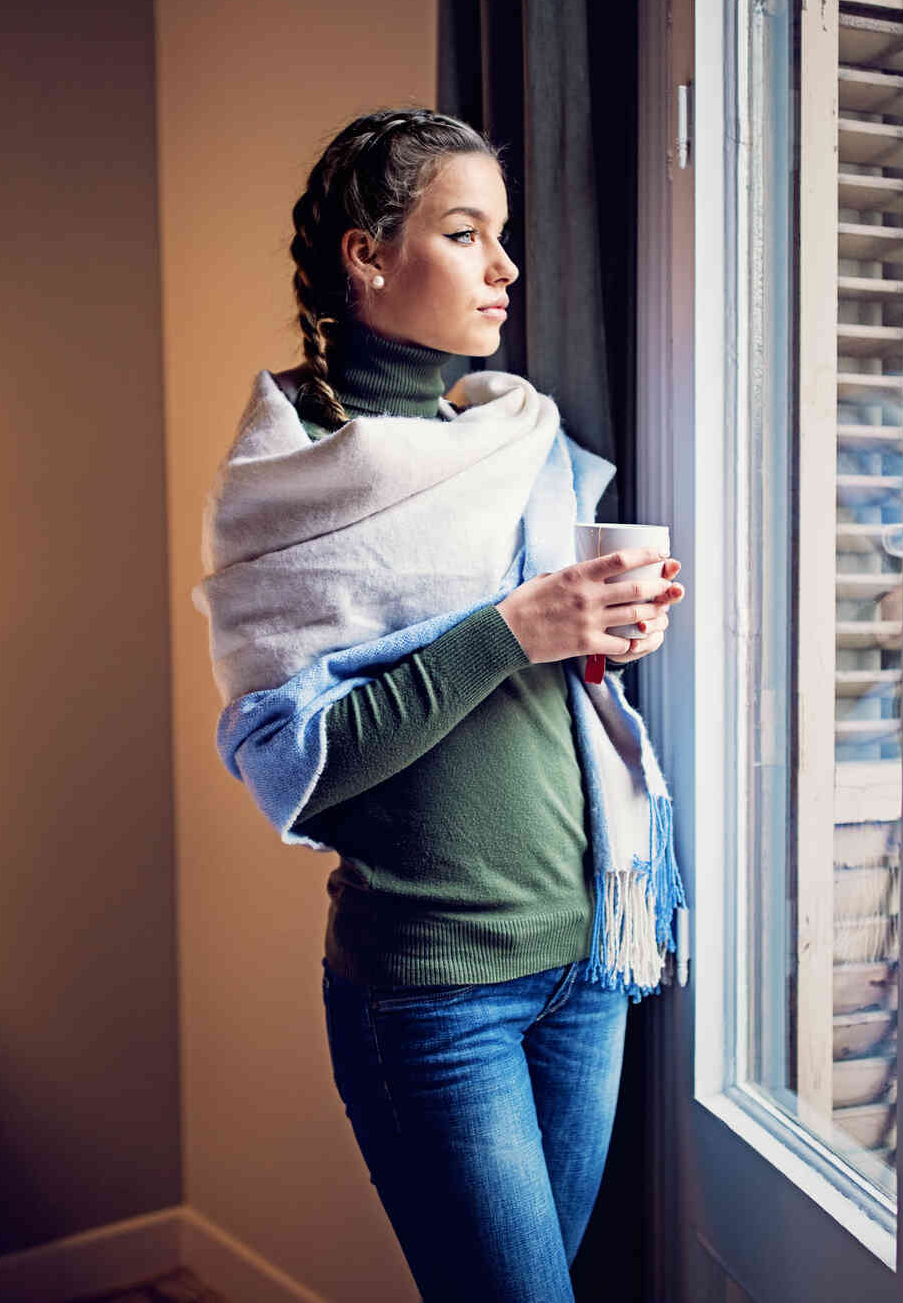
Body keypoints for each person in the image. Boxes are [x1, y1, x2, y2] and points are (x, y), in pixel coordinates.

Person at [195, 106, 686, 1301]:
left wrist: (603, 638)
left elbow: (533, 700)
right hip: (432, 987)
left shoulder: (521, 442)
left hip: (590, 959)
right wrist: (516, 628)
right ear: (369, 255)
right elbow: (300, 760)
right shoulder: (289, 480)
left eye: (502, 235)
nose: (506, 268)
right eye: (467, 234)